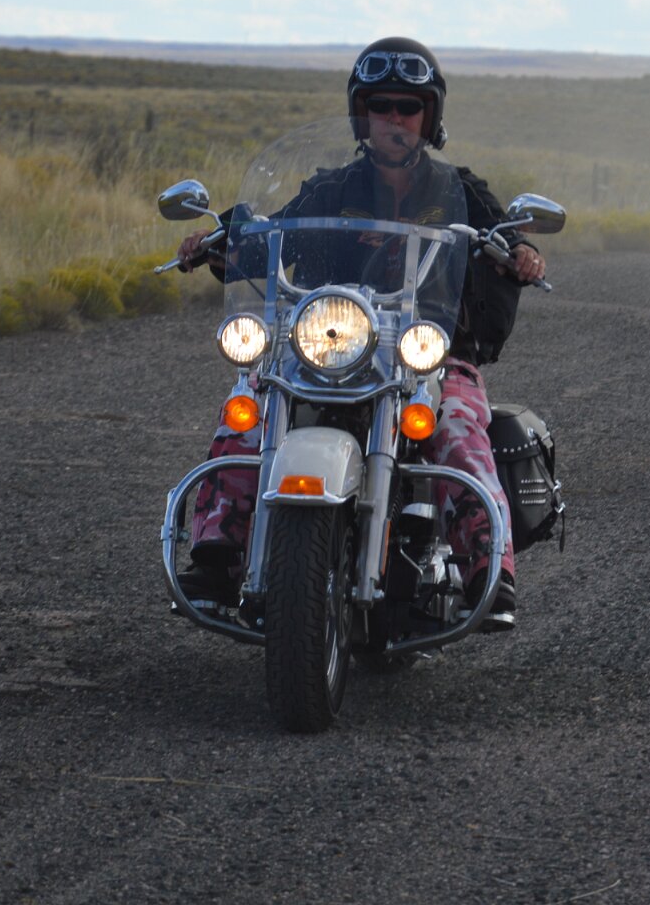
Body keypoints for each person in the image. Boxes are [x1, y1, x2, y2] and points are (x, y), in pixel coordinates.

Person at [173, 37, 547, 630]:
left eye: (407, 107)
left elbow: (503, 233)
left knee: (457, 426)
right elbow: (273, 231)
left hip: (423, 352)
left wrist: (520, 250)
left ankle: (488, 566)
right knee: (250, 407)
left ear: (429, 115)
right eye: (380, 106)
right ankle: (216, 554)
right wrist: (221, 240)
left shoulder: (459, 190)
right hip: (330, 344)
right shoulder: (332, 188)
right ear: (360, 114)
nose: (394, 118)